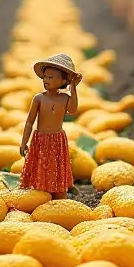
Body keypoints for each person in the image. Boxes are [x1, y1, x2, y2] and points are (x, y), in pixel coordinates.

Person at [18, 52, 81, 198]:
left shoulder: (65, 98)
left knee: (57, 168)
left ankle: (59, 195)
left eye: (50, 77)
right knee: (40, 168)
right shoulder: (39, 98)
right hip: (40, 139)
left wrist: (74, 86)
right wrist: (23, 142)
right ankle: (41, 195)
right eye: (45, 77)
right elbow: (29, 121)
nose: (45, 80)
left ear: (62, 81)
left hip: (57, 140)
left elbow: (72, 110)